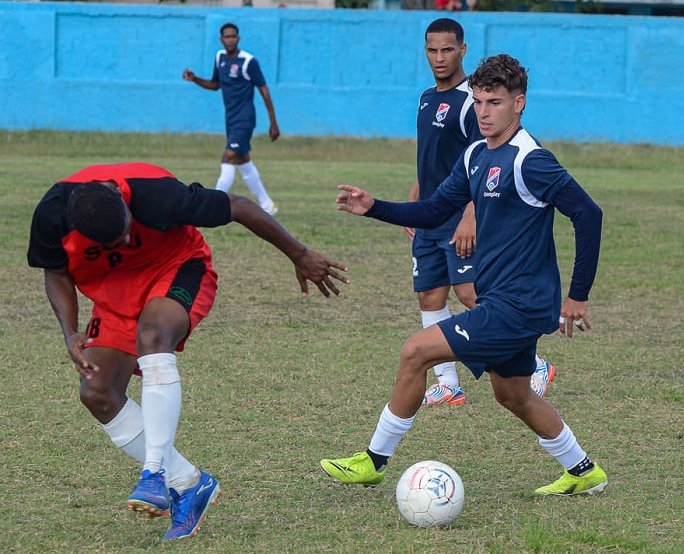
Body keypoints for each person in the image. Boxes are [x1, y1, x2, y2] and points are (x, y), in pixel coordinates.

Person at [321, 54, 608, 497]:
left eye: (494, 102)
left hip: (520, 304)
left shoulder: (531, 160)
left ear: (519, 103)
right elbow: (436, 209)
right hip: (501, 299)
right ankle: (583, 470)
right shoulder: (476, 155)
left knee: (416, 351)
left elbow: (589, 214)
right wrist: (374, 206)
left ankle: (373, 460)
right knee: (513, 395)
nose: (483, 112)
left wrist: (578, 296)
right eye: (478, 102)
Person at [27, 162, 349, 541]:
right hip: (114, 292)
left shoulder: (157, 193)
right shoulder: (51, 215)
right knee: (96, 390)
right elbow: (56, 271)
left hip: (176, 267)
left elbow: (239, 206)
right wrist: (69, 331)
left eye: (128, 230)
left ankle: (153, 473)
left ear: (125, 205)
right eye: (116, 242)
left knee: (153, 337)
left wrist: (299, 253)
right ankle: (188, 482)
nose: (128, 241)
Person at [410, 18, 555, 406]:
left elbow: (485, 161)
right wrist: (415, 201)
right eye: (432, 50)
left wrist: (471, 214)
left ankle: (534, 362)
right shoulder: (427, 97)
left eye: (447, 49)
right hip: (432, 213)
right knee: (428, 294)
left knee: (470, 293)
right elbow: (430, 156)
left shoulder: (471, 101)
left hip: (460, 216)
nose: (439, 58)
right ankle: (448, 385)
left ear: (463, 50)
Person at [183, 23, 280, 215]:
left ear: (238, 38)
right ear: (221, 39)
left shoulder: (248, 61)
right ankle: (267, 204)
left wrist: (273, 122)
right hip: (230, 118)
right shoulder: (219, 58)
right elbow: (215, 84)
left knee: (228, 156)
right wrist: (195, 79)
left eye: (234, 36)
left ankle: (211, 206)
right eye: (227, 37)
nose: (230, 40)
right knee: (242, 159)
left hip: (245, 119)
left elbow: (264, 91)